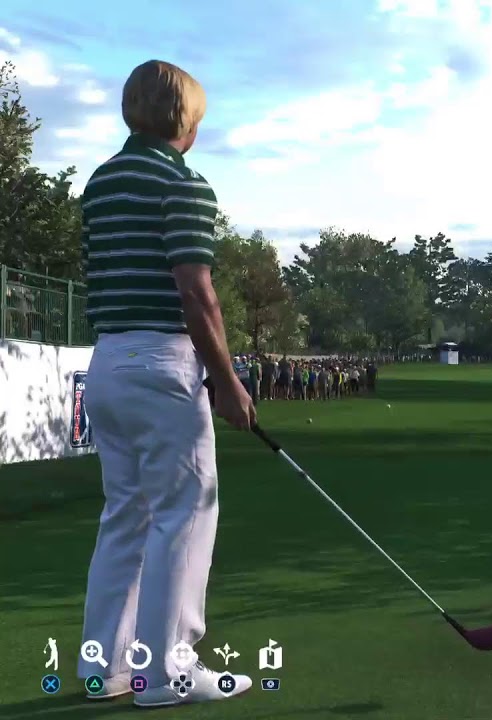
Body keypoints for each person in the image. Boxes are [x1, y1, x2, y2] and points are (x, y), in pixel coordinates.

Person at [79, 60, 252, 707]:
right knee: (184, 515)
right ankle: (165, 673)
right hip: (162, 364)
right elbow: (195, 292)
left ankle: (105, 669)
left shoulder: (99, 182)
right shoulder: (183, 184)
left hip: (107, 362)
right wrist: (228, 380)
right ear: (188, 123)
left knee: (126, 516)